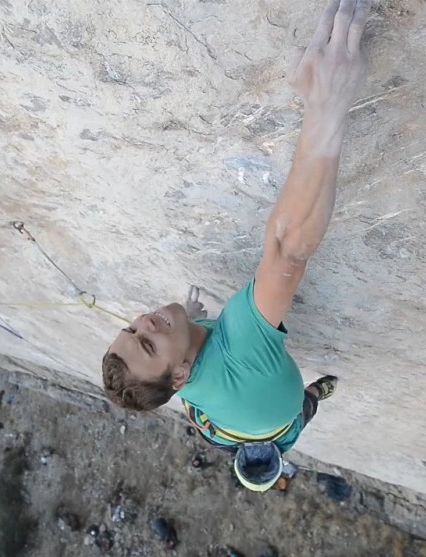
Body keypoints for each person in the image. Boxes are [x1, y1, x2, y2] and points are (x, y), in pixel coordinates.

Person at [102, 0, 371, 491]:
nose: (143, 320)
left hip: (239, 423)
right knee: (291, 421)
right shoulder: (242, 343)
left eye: (130, 327)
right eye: (146, 340)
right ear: (181, 372)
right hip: (270, 414)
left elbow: (173, 370)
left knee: (270, 426)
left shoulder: (184, 385)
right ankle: (309, 401)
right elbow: (288, 250)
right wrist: (327, 107)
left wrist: (180, 322)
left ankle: (306, 402)